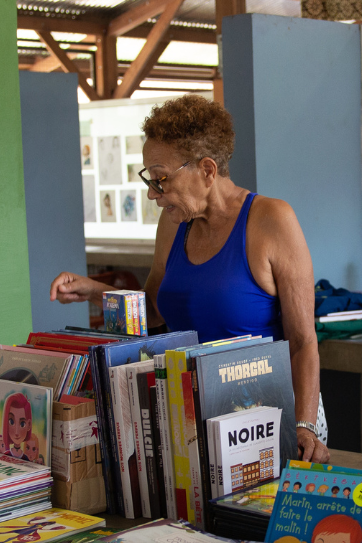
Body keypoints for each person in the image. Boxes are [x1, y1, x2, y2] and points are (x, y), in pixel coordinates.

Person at [50, 94, 328, 464]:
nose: (153, 193)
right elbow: (152, 311)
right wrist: (95, 292)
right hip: (198, 416)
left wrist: (305, 425)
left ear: (208, 170)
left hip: (271, 417)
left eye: (162, 179)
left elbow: (302, 342)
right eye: (150, 178)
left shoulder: (272, 220)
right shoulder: (173, 225)